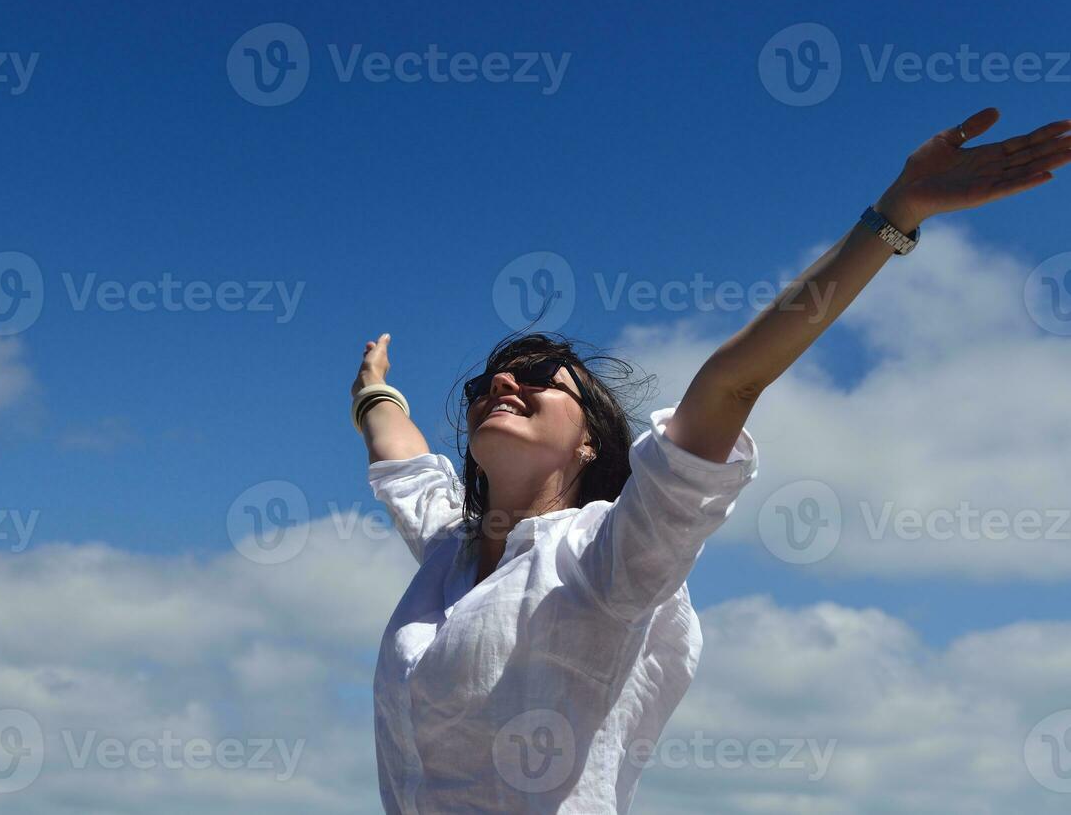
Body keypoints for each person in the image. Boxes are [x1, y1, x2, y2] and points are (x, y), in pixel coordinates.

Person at [350, 108, 1071, 814]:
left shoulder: (608, 557)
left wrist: (897, 210)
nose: (502, 384)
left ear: (590, 440)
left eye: (537, 373)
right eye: (484, 385)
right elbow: (403, 457)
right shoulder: (451, 551)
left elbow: (731, 383)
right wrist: (376, 391)